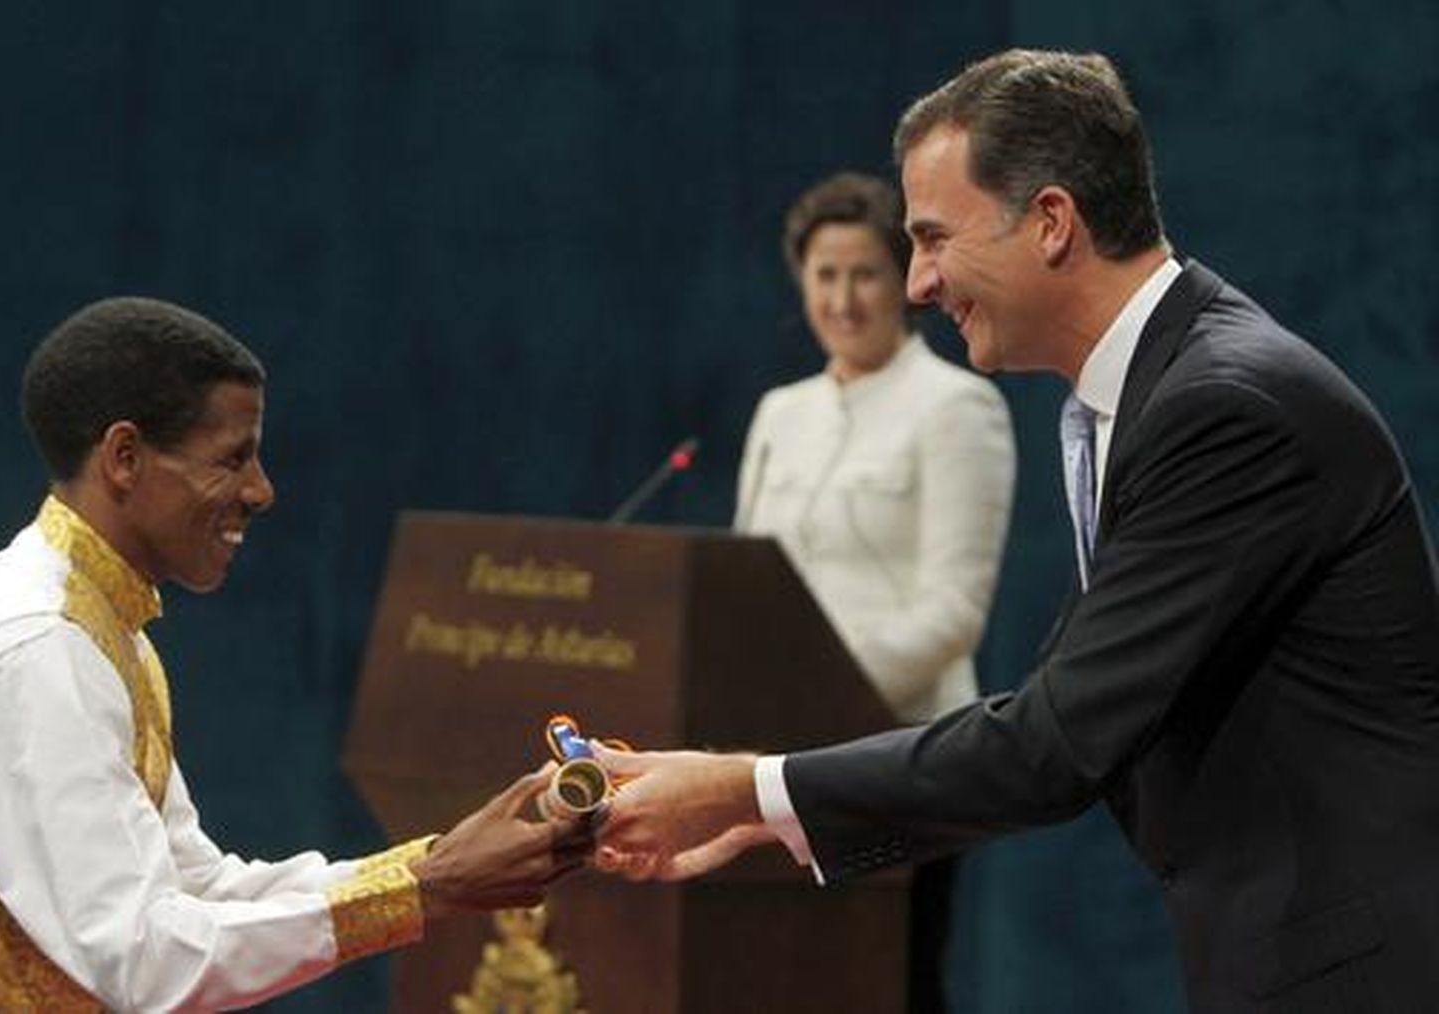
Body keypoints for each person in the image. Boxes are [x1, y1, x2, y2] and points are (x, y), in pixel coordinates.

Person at [593, 49, 1439, 1012]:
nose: (918, 283)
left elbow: (1053, 743)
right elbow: (1049, 717)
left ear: (1050, 222)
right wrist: (765, 807)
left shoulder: (1225, 409)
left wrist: (747, 788)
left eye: (932, 239)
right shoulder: (1159, 395)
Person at [0, 297, 591, 1011]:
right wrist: (424, 891)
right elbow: (145, 959)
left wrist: (426, 867)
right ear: (124, 457)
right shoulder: (36, 648)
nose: (261, 492)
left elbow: (193, 891)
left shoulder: (97, 625)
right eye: (233, 460)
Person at [734, 170, 1014, 1012]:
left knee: (890, 988)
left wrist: (821, 696)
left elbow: (954, 612)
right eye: (825, 276)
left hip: (906, 759)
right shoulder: (780, 412)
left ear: (905, 282)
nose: (844, 299)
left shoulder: (957, 407)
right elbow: (744, 586)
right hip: (778, 762)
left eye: (865, 274)